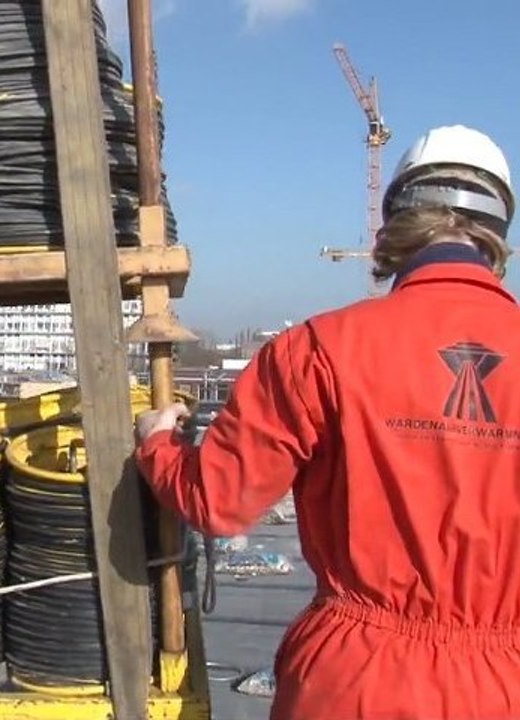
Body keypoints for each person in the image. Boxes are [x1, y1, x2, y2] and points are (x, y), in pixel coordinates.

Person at [135, 125, 520, 720]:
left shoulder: (320, 349)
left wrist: (159, 443)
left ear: (395, 222)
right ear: (498, 231)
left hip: (358, 680)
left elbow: (217, 499)